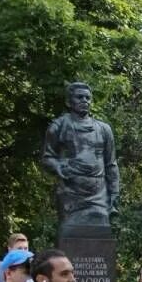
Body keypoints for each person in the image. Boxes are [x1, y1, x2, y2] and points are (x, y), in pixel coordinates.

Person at [40, 82, 120, 232]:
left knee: (100, 233)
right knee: (70, 233)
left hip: (99, 194)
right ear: (69, 102)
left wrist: (114, 192)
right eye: (79, 97)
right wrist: (58, 167)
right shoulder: (58, 126)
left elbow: (111, 164)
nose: (85, 101)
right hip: (71, 192)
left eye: (88, 98)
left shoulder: (104, 129)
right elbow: (47, 158)